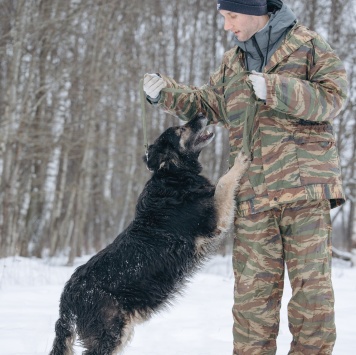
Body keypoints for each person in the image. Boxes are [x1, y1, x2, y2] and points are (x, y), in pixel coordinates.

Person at [142, 0, 348, 353]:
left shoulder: (309, 45)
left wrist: (277, 89)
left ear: (255, 9)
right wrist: (166, 93)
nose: (227, 26)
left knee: (311, 298)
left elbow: (334, 98)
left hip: (304, 191)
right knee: (252, 302)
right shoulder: (232, 63)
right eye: (224, 18)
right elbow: (209, 104)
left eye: (231, 16)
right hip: (253, 195)